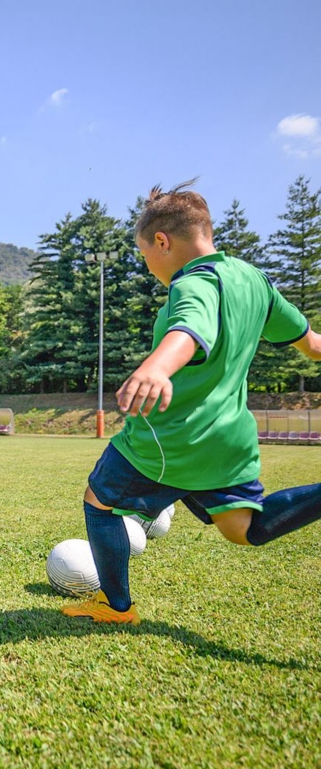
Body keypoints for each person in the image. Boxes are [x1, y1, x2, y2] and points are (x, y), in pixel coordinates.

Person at [61, 180, 321, 624]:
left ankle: (116, 606)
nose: (147, 265)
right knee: (244, 530)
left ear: (162, 241)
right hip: (228, 443)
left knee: (98, 501)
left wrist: (158, 366)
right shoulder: (253, 279)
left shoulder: (193, 283)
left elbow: (190, 328)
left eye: (145, 253)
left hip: (170, 440)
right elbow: (312, 344)